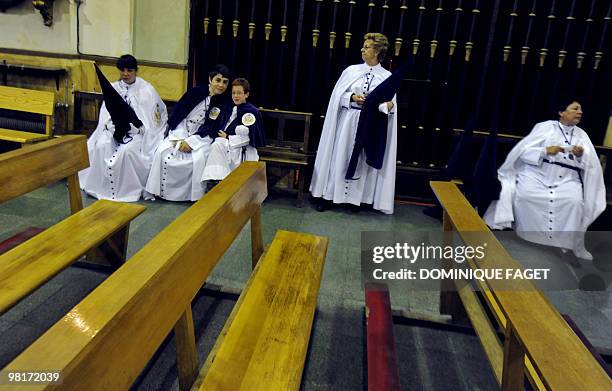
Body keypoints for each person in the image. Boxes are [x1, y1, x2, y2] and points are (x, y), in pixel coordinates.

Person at [484, 101, 606, 260]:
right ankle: (530, 236)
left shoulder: (582, 135)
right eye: (575, 109)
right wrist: (545, 150)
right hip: (538, 174)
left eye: (581, 109)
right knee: (525, 196)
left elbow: (591, 165)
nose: (580, 112)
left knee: (573, 202)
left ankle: (565, 245)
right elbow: (523, 152)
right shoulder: (545, 127)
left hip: (567, 178)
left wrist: (579, 155)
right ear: (561, 112)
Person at [310, 33, 398, 214]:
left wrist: (385, 105)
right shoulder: (351, 71)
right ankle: (329, 196)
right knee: (339, 157)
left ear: (377, 51)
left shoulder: (387, 76)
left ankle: (354, 200)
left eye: (367, 47)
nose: (363, 49)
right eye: (364, 46)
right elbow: (337, 96)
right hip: (348, 121)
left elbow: (390, 105)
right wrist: (351, 97)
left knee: (361, 160)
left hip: (370, 124)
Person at [79, 55, 167, 202]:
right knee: (102, 146)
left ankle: (127, 190)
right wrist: (109, 125)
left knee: (127, 152)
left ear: (136, 71)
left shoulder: (147, 89)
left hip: (137, 134)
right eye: (122, 70)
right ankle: (101, 187)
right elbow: (105, 115)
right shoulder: (113, 88)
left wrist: (139, 129)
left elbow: (153, 119)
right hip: (114, 130)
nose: (125, 74)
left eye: (129, 70)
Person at [145, 64, 230, 201]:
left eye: (225, 82)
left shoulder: (224, 103)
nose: (221, 85)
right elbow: (179, 115)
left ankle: (192, 195)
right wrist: (180, 138)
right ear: (210, 79)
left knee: (198, 158)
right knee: (162, 151)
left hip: (203, 139)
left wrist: (191, 142)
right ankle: (159, 191)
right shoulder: (195, 92)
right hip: (181, 131)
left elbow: (212, 127)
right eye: (218, 80)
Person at [201, 78, 265, 183]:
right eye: (233, 93)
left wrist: (228, 137)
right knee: (216, 144)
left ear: (246, 94)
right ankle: (216, 179)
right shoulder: (230, 108)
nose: (235, 96)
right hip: (227, 145)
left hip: (241, 149)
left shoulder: (250, 112)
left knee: (218, 144)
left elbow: (249, 138)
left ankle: (220, 181)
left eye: (239, 93)